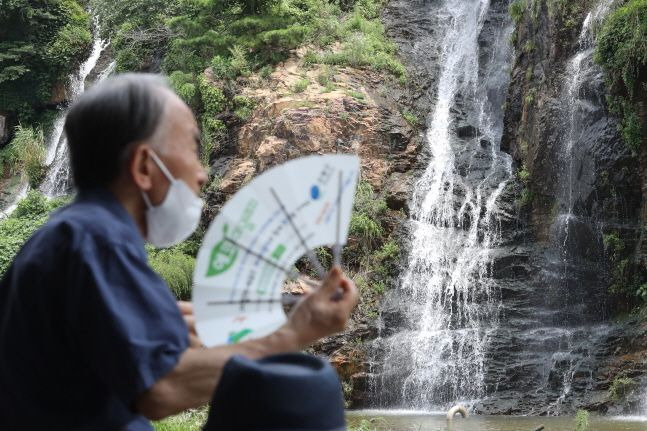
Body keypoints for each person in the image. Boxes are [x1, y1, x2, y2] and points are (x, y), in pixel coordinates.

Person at [0, 74, 358, 430]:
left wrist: (164, 321)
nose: (202, 174)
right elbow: (162, 388)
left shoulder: (71, 235)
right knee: (312, 394)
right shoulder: (97, 241)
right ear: (143, 167)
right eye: (192, 148)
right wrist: (295, 333)